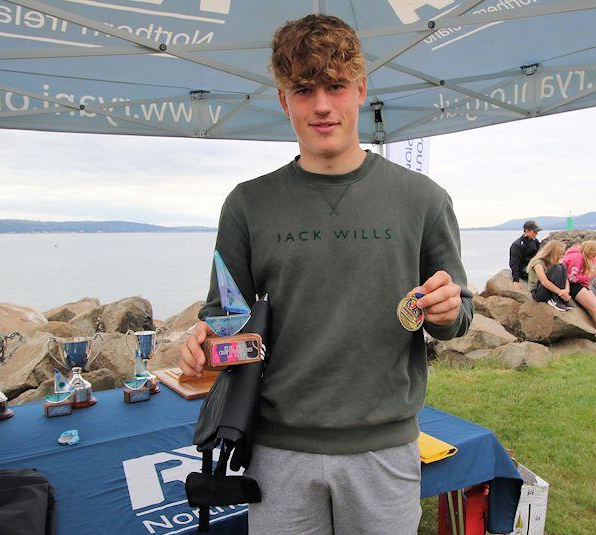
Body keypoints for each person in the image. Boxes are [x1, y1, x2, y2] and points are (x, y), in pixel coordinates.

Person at [179, 14, 473, 534]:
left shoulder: (423, 200)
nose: (320, 104)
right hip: (276, 451)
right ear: (282, 99)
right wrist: (203, 337)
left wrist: (449, 310)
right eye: (303, 88)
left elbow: (457, 314)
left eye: (335, 86)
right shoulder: (247, 204)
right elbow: (225, 314)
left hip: (384, 449)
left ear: (360, 90)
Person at [526, 240, 574, 312]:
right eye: (559, 254)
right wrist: (560, 293)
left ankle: (560, 299)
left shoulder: (554, 261)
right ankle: (555, 300)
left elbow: (566, 279)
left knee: (562, 266)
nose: (561, 256)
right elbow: (544, 282)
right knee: (556, 268)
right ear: (552, 253)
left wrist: (566, 291)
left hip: (553, 291)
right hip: (538, 293)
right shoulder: (538, 263)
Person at [510, 220, 541, 288]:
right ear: (527, 231)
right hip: (523, 269)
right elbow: (514, 263)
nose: (536, 234)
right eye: (534, 232)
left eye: (537, 232)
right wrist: (516, 280)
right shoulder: (517, 245)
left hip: (534, 265)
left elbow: (539, 256)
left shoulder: (535, 241)